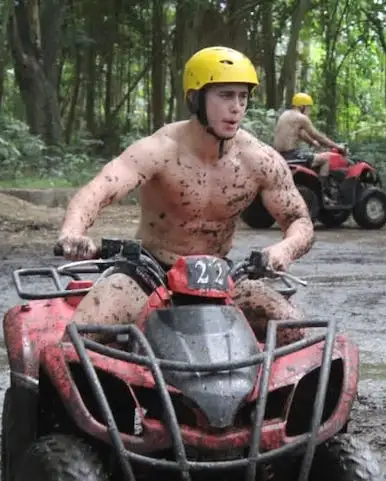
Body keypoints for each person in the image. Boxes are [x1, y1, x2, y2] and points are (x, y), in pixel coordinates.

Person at [55, 46, 315, 346]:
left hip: (221, 275)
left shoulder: (260, 160)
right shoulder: (160, 149)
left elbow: (300, 222)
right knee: (77, 339)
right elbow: (96, 191)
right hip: (148, 271)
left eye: (242, 97)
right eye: (225, 95)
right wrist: (73, 233)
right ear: (196, 97)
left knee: (297, 333)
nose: (236, 107)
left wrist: (285, 250)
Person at [273, 92, 347, 201]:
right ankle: (324, 194)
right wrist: (338, 146)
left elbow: (300, 133)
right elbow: (318, 136)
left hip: (280, 154)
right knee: (325, 159)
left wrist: (312, 142)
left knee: (311, 155)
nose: (309, 111)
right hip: (292, 154)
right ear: (302, 106)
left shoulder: (285, 115)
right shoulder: (301, 118)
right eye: (308, 107)